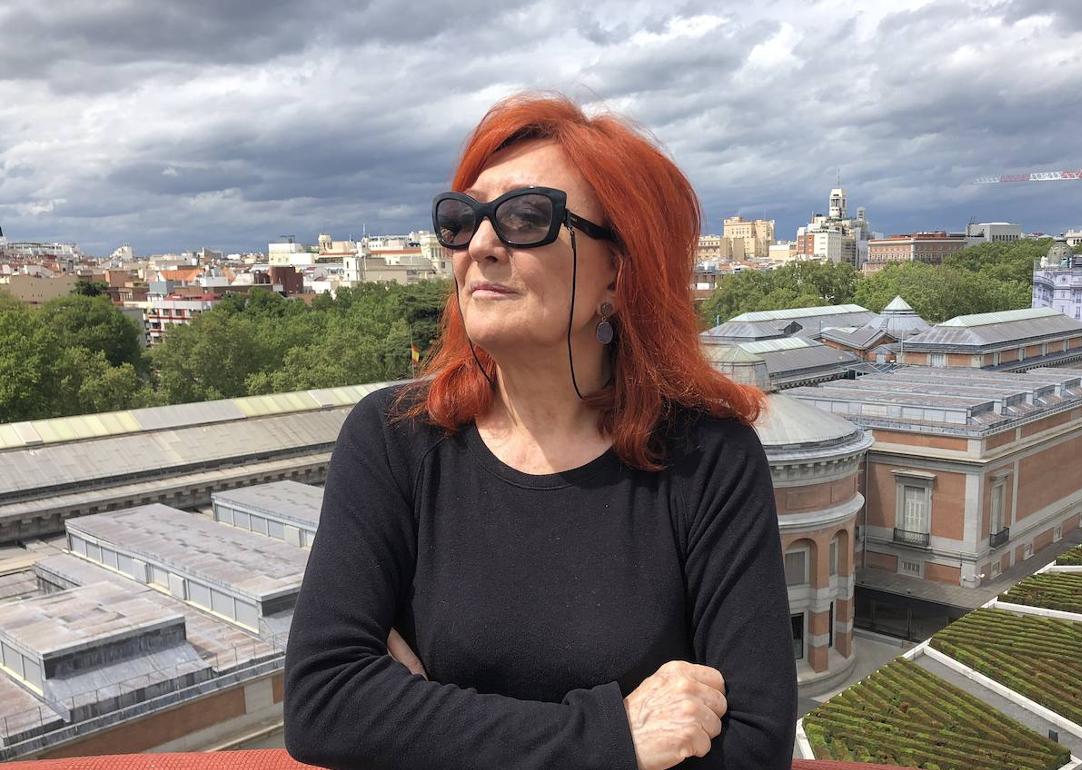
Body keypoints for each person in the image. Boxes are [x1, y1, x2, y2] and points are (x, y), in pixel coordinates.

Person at [283, 93, 797, 769]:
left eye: (527, 217)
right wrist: (611, 739)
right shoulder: (396, 440)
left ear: (620, 274)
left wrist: (427, 714)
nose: (483, 246)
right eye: (461, 219)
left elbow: (753, 747)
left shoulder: (707, 461)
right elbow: (325, 702)